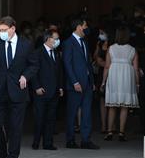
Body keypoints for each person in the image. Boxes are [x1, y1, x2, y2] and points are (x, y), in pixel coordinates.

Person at [0, 16, 38, 158]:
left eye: (4, 30)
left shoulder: (26, 44)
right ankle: (1, 155)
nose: (1, 33)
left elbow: (34, 64)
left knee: (15, 128)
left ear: (13, 28)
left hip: (17, 92)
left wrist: (25, 76)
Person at [62, 17, 100, 150]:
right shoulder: (68, 43)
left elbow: (87, 62)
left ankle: (86, 140)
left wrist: (92, 81)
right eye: (85, 25)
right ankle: (70, 140)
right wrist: (74, 82)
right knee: (72, 113)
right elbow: (67, 64)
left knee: (87, 112)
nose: (86, 28)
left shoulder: (84, 41)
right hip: (76, 84)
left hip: (87, 83)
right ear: (79, 27)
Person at [102, 26, 140, 141]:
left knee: (112, 106)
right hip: (127, 78)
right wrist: (137, 84)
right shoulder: (132, 50)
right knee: (124, 107)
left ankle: (109, 132)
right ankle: (121, 133)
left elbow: (107, 67)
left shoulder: (111, 48)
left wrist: (103, 81)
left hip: (114, 77)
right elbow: (136, 69)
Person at [31, 29, 63, 150]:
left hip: (54, 91)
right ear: (48, 39)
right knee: (39, 117)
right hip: (41, 91)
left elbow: (59, 72)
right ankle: (36, 142)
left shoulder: (56, 53)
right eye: (55, 38)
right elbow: (33, 72)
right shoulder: (37, 53)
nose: (57, 41)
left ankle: (48, 143)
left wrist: (60, 86)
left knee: (51, 118)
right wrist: (36, 87)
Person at [94, 29, 109, 133]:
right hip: (102, 76)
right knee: (103, 101)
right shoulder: (99, 46)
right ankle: (104, 126)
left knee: (112, 102)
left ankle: (111, 125)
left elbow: (103, 63)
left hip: (111, 75)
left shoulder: (113, 47)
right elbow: (98, 61)